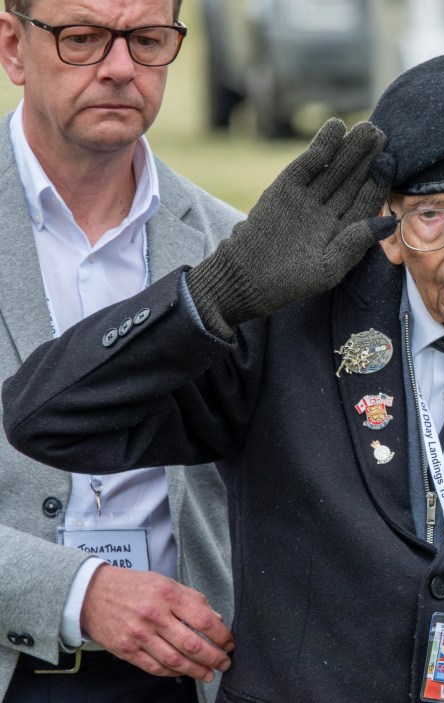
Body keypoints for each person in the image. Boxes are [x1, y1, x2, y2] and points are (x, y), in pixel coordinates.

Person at [2, 52, 444, 702]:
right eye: (433, 215)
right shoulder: (289, 324)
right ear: (389, 221)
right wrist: (216, 293)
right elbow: (45, 416)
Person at [0, 1, 238, 700]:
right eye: (82, 39)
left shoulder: (233, 251)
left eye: (147, 39)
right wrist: (78, 591)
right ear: (13, 46)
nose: (119, 68)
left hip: (188, 676)